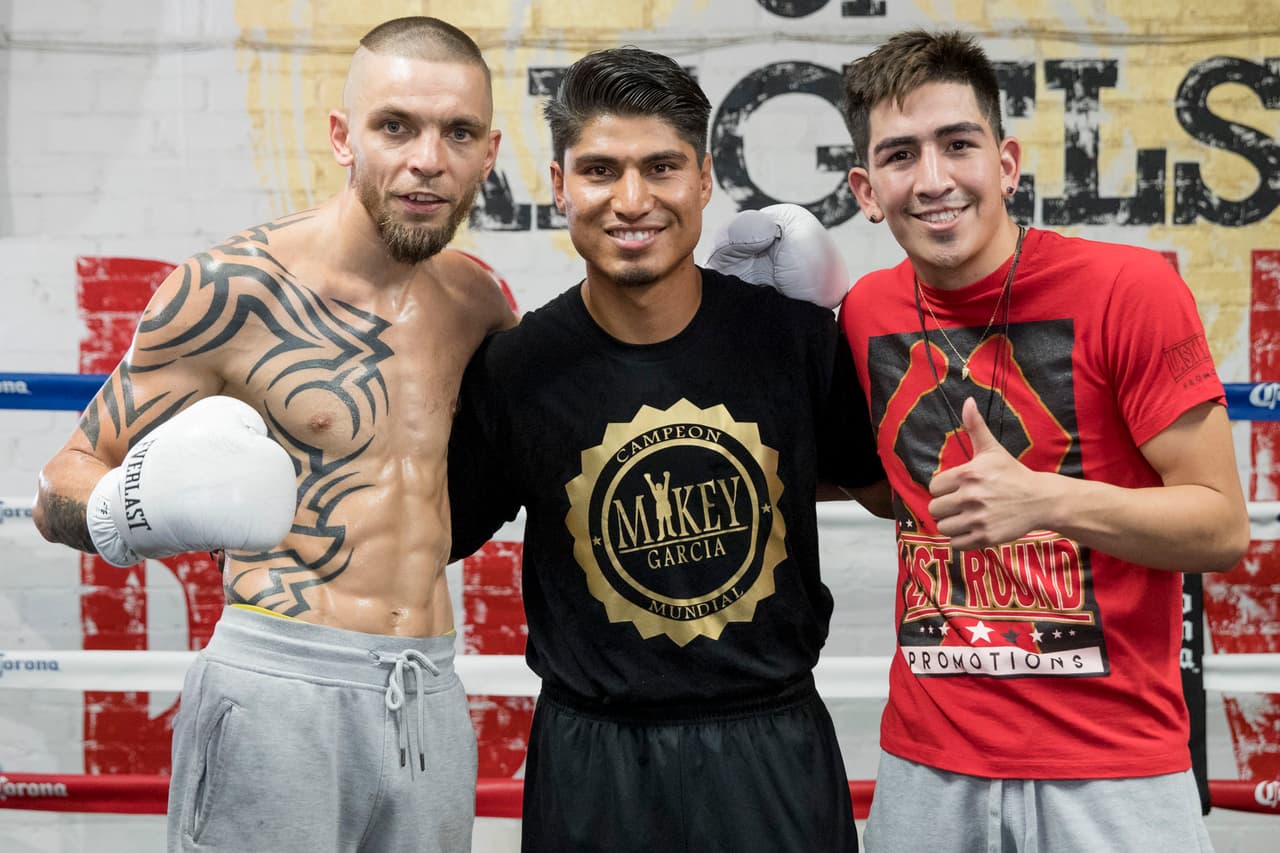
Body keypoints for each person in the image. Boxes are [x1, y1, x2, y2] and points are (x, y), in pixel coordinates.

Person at [32, 16, 513, 853]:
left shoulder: (478, 303)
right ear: (342, 136)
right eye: (395, 126)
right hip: (278, 683)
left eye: (458, 132)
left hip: (428, 693)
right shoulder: (233, 290)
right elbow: (59, 484)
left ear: (489, 153)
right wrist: (130, 510)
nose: (428, 159)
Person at [447, 46, 888, 853]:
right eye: (600, 170)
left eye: (661, 167)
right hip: (594, 761)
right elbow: (424, 534)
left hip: (769, 747)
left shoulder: (791, 338)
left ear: (705, 178)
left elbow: (891, 491)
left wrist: (876, 322)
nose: (632, 200)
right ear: (559, 184)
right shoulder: (517, 369)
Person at [837, 29, 1251, 853]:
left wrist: (1045, 499)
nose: (933, 178)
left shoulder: (1130, 290)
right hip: (927, 763)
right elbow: (885, 485)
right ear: (866, 190)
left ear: (1007, 164)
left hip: (1115, 766)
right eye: (900, 155)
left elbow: (1221, 526)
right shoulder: (862, 312)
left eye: (959, 144)